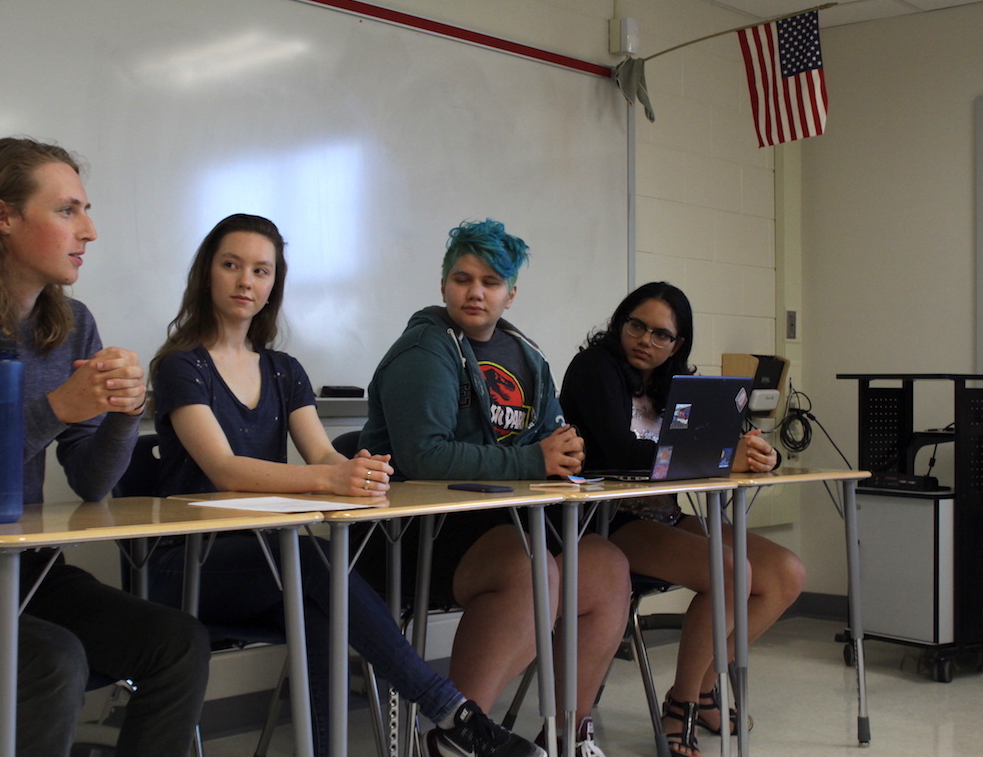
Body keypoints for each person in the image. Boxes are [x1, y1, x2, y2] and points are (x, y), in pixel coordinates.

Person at [148, 213, 543, 757]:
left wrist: (361, 473)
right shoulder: (179, 367)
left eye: (261, 271)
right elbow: (225, 470)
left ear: (273, 284)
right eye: (231, 265)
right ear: (206, 274)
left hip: (266, 559)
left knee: (321, 606)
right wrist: (332, 476)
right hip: (185, 561)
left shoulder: (284, 370)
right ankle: (452, 711)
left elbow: (324, 455)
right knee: (314, 566)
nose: (246, 281)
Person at [0, 137, 209, 757]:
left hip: (26, 575)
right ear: (2, 217)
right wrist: (60, 406)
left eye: (86, 210)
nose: (91, 230)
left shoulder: (71, 323)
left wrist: (125, 411)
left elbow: (91, 481)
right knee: (52, 662)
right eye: (68, 211)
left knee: (178, 642)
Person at [359, 218, 630, 757]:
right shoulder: (425, 349)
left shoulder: (526, 355)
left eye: (490, 281)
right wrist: (534, 458)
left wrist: (565, 453)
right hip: (411, 536)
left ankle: (565, 735)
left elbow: (552, 437)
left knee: (605, 568)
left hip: (499, 525)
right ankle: (457, 734)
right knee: (531, 569)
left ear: (511, 293)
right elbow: (423, 456)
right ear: (442, 285)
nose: (475, 292)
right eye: (462, 278)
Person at [559, 281, 806, 757]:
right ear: (619, 323)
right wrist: (718, 455)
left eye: (660, 335)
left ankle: (704, 686)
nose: (644, 341)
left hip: (664, 517)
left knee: (785, 574)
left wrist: (759, 453)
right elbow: (619, 450)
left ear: (678, 344)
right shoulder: (595, 368)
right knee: (732, 571)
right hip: (607, 523)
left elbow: (726, 441)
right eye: (636, 326)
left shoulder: (674, 383)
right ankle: (683, 706)